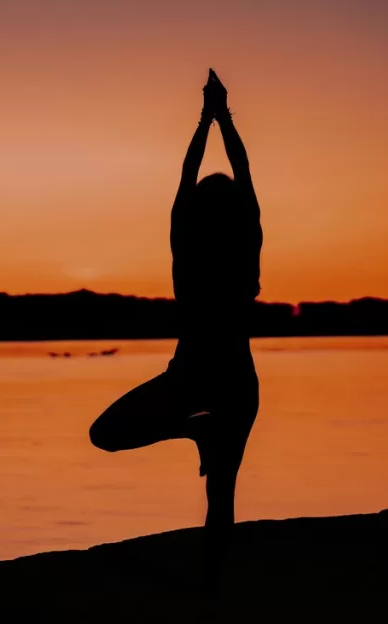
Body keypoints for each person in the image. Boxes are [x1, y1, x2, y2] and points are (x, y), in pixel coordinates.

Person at [89, 68, 262, 587]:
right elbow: (244, 171)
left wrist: (204, 120)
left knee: (106, 434)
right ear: (237, 215)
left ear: (193, 217)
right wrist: (223, 117)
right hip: (236, 381)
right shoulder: (244, 248)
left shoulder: (186, 251)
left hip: (190, 376)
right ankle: (212, 587)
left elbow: (187, 178)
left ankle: (194, 428)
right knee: (222, 497)